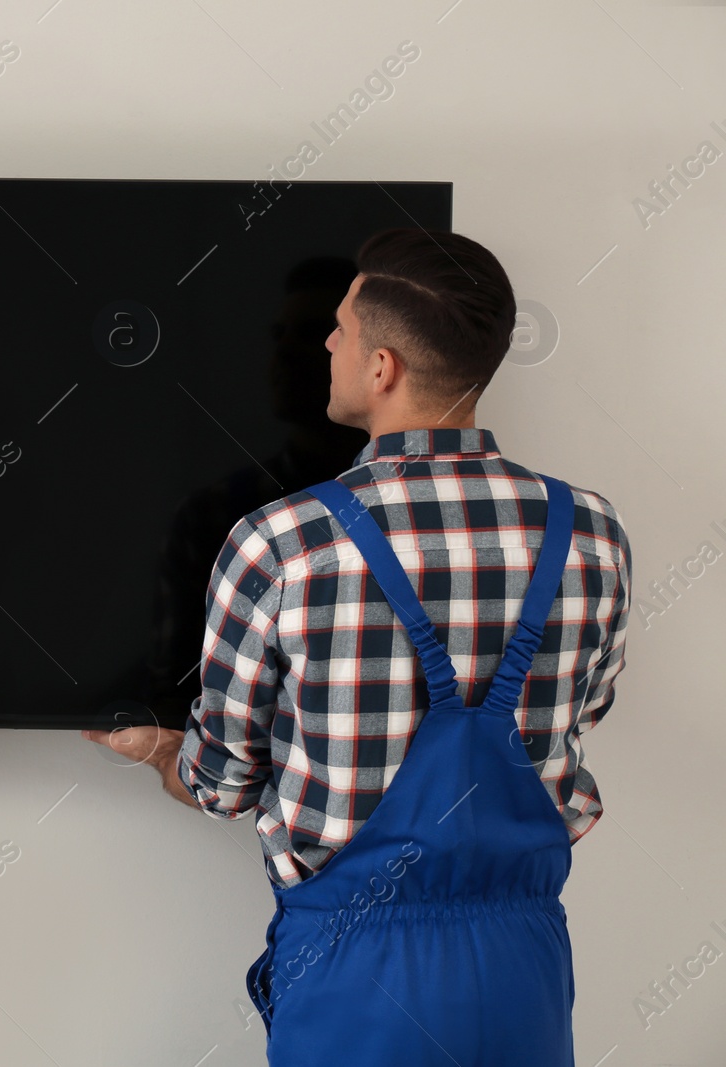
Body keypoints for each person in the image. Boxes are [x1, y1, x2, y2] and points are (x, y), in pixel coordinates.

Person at [85, 228, 631, 1066]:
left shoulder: (282, 543)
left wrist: (166, 751)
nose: (328, 344)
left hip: (355, 974)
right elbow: (581, 712)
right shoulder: (590, 533)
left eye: (339, 327)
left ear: (383, 369)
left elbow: (222, 784)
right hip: (525, 969)